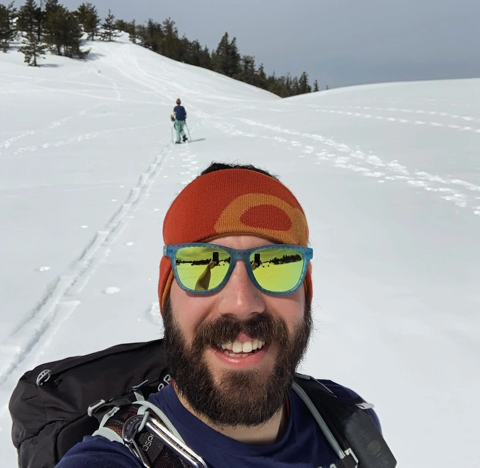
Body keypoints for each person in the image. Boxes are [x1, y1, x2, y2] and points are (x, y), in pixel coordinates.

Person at [56, 162, 386, 468]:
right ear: (166, 296)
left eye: (276, 264)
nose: (242, 303)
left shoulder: (348, 424)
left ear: (305, 292)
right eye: (202, 264)